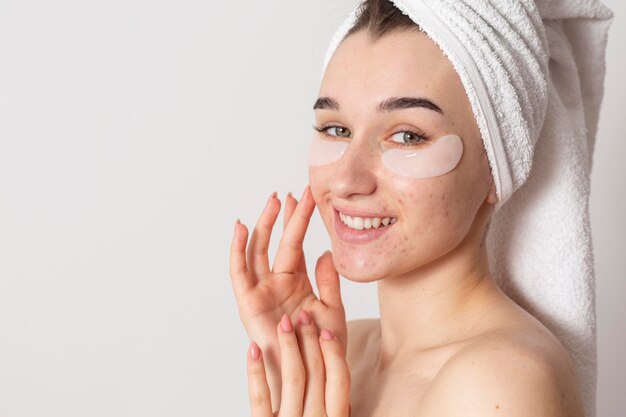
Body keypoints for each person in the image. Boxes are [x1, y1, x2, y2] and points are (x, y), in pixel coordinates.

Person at [229, 1, 591, 416]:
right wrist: (291, 364)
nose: (347, 180)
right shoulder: (340, 351)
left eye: (407, 137)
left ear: (497, 165)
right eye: (336, 129)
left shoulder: (500, 379)